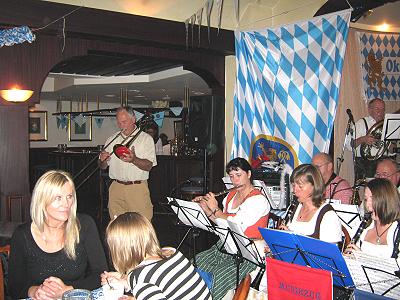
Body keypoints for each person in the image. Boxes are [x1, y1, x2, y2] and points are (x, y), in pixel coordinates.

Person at [8, 170, 108, 300]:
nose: (66, 204)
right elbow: (14, 287)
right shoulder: (22, 235)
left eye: (69, 196)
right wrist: (35, 291)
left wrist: (68, 290)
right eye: (58, 198)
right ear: (42, 201)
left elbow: (101, 274)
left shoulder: (84, 225)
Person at [193, 157, 270, 300]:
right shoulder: (230, 196)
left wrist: (215, 208)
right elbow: (221, 222)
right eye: (232, 176)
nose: (235, 181)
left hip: (249, 252)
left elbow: (235, 224)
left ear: (249, 174)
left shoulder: (258, 200)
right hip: (228, 245)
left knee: (219, 275)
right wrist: (206, 209)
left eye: (239, 175)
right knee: (198, 261)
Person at [101, 212, 212, 300]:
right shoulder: (171, 252)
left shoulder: (141, 279)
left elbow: (146, 281)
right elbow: (159, 282)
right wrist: (122, 279)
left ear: (120, 250)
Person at [99, 107, 157, 220]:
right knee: (117, 226)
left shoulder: (146, 139)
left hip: (137, 188)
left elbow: (149, 166)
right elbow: (102, 166)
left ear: (133, 119)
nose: (121, 125)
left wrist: (134, 160)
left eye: (124, 122)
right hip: (116, 188)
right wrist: (102, 160)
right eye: (119, 122)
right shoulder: (112, 139)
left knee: (141, 226)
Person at [280, 164, 342, 243]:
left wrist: (294, 240)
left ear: (314, 186)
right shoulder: (294, 208)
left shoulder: (328, 215)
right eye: (294, 185)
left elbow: (329, 253)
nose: (294, 190)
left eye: (300, 186)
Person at [345, 178, 400, 258]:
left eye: (373, 199)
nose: (368, 205)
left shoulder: (397, 231)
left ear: (386, 200)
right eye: (366, 199)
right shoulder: (363, 227)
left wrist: (363, 259)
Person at [347, 98, 388, 180]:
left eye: (383, 109)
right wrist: (363, 139)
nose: (381, 112)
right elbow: (349, 145)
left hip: (384, 161)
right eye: (377, 109)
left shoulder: (386, 124)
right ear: (370, 110)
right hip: (366, 163)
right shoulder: (361, 123)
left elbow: (390, 151)